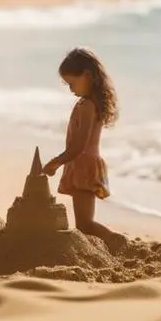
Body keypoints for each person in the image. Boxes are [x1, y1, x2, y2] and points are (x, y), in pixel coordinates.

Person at [42, 47, 124, 247]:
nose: (71, 90)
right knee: (83, 224)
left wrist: (57, 162)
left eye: (72, 83)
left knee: (85, 224)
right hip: (80, 165)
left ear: (87, 75)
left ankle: (117, 241)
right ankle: (104, 246)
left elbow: (80, 145)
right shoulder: (87, 103)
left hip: (84, 167)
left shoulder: (87, 106)